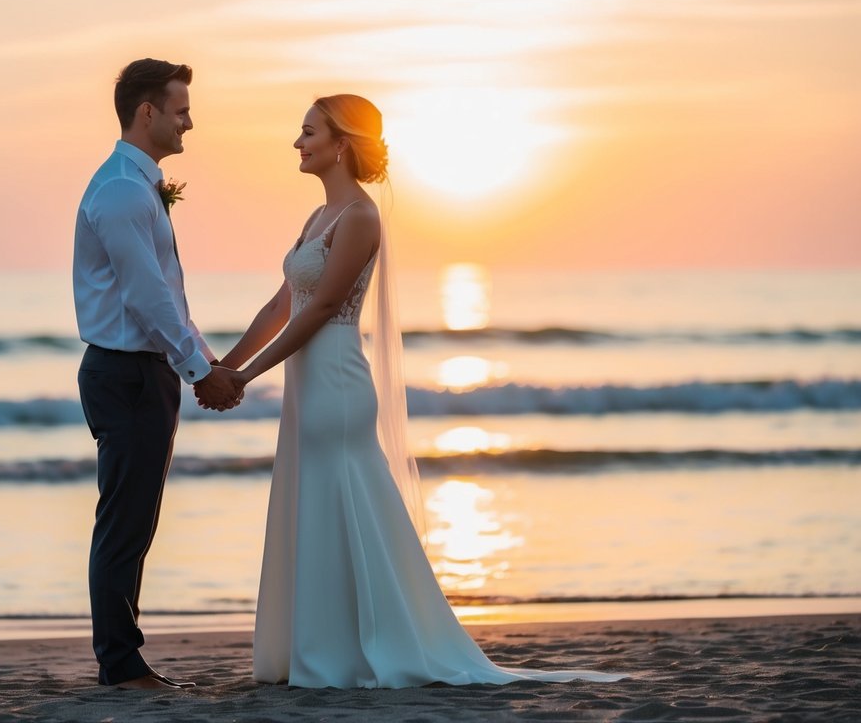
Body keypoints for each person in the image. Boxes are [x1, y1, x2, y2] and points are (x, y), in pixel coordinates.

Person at [202, 94, 625, 688]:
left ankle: (345, 651)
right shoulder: (317, 217)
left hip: (335, 381)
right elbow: (281, 305)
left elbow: (322, 308)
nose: (297, 143)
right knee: (310, 501)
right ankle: (316, 645)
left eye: (309, 132)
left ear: (341, 143)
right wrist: (222, 366)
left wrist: (246, 378)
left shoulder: (359, 217)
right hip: (305, 382)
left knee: (338, 501)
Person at [73, 58, 245, 691]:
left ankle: (124, 661)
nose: (189, 123)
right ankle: (120, 666)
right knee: (124, 524)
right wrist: (200, 371)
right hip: (127, 375)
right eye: (181, 110)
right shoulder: (122, 190)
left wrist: (204, 359)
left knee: (135, 521)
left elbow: (167, 297)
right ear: (147, 112)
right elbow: (146, 298)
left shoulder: (137, 185)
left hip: (141, 373)